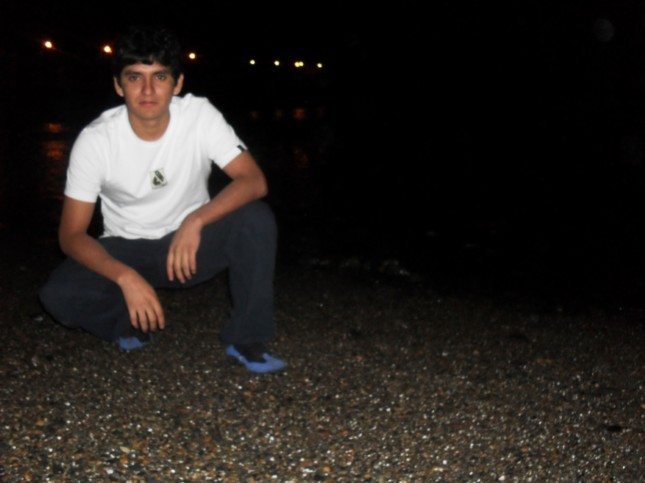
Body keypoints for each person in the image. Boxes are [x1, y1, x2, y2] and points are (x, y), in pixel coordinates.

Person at [39, 25, 286, 373]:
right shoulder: (95, 141)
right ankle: (129, 324)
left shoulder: (199, 116)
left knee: (255, 218)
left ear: (177, 83)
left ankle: (247, 338)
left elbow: (254, 180)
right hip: (126, 247)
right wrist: (124, 276)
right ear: (118, 85)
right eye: (135, 77)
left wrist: (195, 220)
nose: (148, 90)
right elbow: (71, 235)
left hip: (190, 248)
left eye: (160, 76)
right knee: (58, 296)